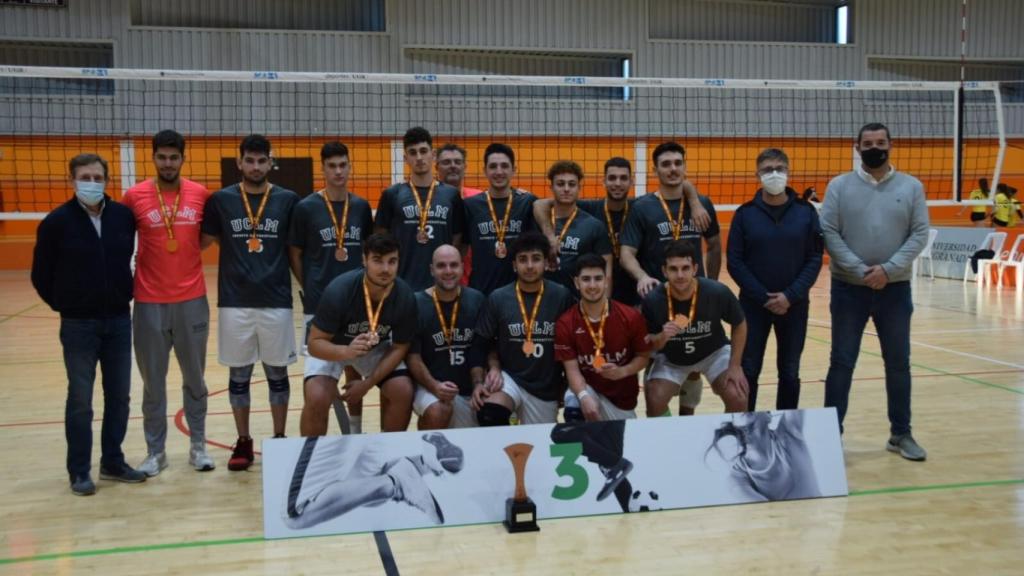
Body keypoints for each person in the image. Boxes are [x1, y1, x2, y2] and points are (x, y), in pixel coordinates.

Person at [32, 153, 146, 495]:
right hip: (79, 324)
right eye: (85, 177)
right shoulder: (56, 222)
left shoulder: (123, 217)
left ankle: (112, 461)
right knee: (81, 399)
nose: (92, 183)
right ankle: (79, 470)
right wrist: (67, 304)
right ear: (73, 180)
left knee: (120, 396)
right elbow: (41, 275)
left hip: (118, 320)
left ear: (107, 181)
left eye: (98, 178)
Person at [820, 122, 930, 462]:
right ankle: (830, 435)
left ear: (891, 146)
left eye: (880, 142)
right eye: (867, 143)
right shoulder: (839, 186)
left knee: (898, 364)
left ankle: (901, 433)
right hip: (848, 289)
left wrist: (888, 269)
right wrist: (860, 270)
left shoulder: (912, 187)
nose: (874, 148)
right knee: (841, 363)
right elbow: (829, 231)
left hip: (895, 289)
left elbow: (919, 233)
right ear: (857, 147)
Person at [201, 134, 300, 470]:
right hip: (234, 302)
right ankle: (243, 440)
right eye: (250, 160)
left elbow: (294, 249)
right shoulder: (221, 201)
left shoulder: (288, 200)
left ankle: (279, 439)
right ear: (239, 162)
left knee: (277, 373)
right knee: (239, 375)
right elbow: (205, 241)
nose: (256, 167)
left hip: (276, 301)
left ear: (271, 163)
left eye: (262, 161)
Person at [123, 130, 215, 476]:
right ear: (153, 158)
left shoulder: (200, 195)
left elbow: (205, 238)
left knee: (195, 378)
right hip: (148, 302)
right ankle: (155, 452)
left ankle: (199, 446)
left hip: (192, 300)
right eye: (161, 157)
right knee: (153, 383)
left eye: (173, 157)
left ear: (182, 158)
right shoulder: (134, 197)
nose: (167, 163)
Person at [620, 141, 721, 415]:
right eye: (666, 164)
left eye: (678, 163)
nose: (672, 169)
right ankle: (662, 423)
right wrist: (641, 276)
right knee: (655, 358)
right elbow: (626, 253)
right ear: (655, 170)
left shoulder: (702, 204)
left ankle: (686, 419)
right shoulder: (643, 208)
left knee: (693, 364)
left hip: (694, 295)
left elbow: (713, 245)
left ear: (685, 167)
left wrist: (712, 284)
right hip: (658, 302)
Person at [536, 157, 706, 307]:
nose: (617, 183)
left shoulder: (640, 207)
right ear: (604, 182)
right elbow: (540, 204)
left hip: (635, 289)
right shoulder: (590, 208)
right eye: (612, 178)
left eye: (623, 178)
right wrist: (550, 236)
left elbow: (680, 183)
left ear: (631, 182)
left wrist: (694, 201)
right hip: (600, 286)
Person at [289, 141, 374, 437]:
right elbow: (295, 254)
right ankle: (312, 448)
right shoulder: (306, 208)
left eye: (343, 165)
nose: (338, 171)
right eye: (332, 166)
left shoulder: (361, 208)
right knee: (319, 385)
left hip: (357, 306)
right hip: (320, 309)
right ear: (323, 169)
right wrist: (311, 286)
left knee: (353, 369)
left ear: (350, 167)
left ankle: (355, 430)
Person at [727, 148, 823, 411]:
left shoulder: (807, 212)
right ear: (757, 174)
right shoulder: (744, 214)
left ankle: (786, 427)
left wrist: (790, 296)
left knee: (790, 372)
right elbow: (735, 261)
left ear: (788, 172)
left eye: (780, 169)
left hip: (795, 306)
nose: (774, 174)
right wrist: (763, 297)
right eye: (768, 169)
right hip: (752, 307)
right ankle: (746, 426)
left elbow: (815, 258)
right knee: (749, 369)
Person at [306, 233, 419, 433]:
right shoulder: (339, 290)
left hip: (375, 347)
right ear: (364, 260)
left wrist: (367, 384)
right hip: (334, 346)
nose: (385, 269)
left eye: (392, 261)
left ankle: (387, 454)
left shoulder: (405, 296)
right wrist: (345, 352)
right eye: (377, 261)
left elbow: (400, 347)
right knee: (317, 396)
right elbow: (315, 343)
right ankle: (310, 460)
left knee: (402, 390)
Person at [471, 232, 574, 425]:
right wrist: (480, 381)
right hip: (510, 378)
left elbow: (572, 344)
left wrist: (567, 383)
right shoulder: (498, 298)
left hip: (545, 386)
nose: (529, 266)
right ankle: (500, 455)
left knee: (539, 445)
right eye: (522, 260)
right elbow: (480, 344)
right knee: (489, 412)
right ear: (514, 265)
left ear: (546, 263)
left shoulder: (561, 296)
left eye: (536, 259)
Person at [642, 240, 748, 417]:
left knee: (738, 394)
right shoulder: (653, 300)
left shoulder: (717, 292)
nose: (680, 274)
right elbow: (651, 344)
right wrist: (662, 336)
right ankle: (671, 437)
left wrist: (735, 365)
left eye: (685, 268)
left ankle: (731, 439)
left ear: (695, 268)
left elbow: (740, 323)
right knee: (654, 398)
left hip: (713, 354)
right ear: (664, 271)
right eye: (673, 269)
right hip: (672, 358)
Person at [284, 432, 464, 529]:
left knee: (296, 514)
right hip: (365, 429)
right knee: (365, 488)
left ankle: (397, 483)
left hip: (336, 426)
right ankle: (423, 463)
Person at [555, 253, 652, 422]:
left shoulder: (630, 317)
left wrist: (623, 371)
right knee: (573, 404)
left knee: (619, 446)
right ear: (577, 283)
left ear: (606, 281)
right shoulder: (565, 323)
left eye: (598, 279)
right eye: (586, 279)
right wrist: (584, 396)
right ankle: (577, 449)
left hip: (621, 400)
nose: (592, 285)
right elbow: (571, 370)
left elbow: (643, 356)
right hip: (587, 388)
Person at [375, 127, 465, 291]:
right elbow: (381, 240)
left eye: (423, 151)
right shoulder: (392, 195)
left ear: (433, 154)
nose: (419, 157)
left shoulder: (451, 195)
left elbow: (458, 240)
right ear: (405, 158)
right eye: (413, 152)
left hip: (442, 286)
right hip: (402, 286)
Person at [407, 245, 486, 429]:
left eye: (454, 265)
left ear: (462, 267)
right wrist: (434, 386)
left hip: (469, 388)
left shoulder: (477, 300)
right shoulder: (416, 303)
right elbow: (413, 356)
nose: (448, 271)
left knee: (494, 408)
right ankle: (426, 453)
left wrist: (479, 383)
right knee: (438, 411)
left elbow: (482, 348)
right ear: (431, 270)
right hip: (429, 386)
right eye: (441, 266)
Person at [463, 143, 537, 294]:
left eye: (504, 166)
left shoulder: (527, 202)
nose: (499, 171)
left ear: (513, 170)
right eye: (493, 166)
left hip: (518, 292)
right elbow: (461, 248)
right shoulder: (470, 205)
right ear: (484, 170)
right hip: (481, 290)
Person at [537, 161, 612, 299]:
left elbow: (606, 270)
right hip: (541, 302)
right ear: (551, 187)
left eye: (571, 184)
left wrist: (604, 305)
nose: (566, 189)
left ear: (579, 188)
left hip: (578, 303)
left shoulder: (594, 226)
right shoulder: (539, 222)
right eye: (560, 184)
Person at [435, 142, 483, 286]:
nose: (453, 166)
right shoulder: (428, 200)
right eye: (446, 162)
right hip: (439, 275)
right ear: (436, 167)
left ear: (465, 167)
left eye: (457, 162)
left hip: (474, 276)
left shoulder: (479, 198)